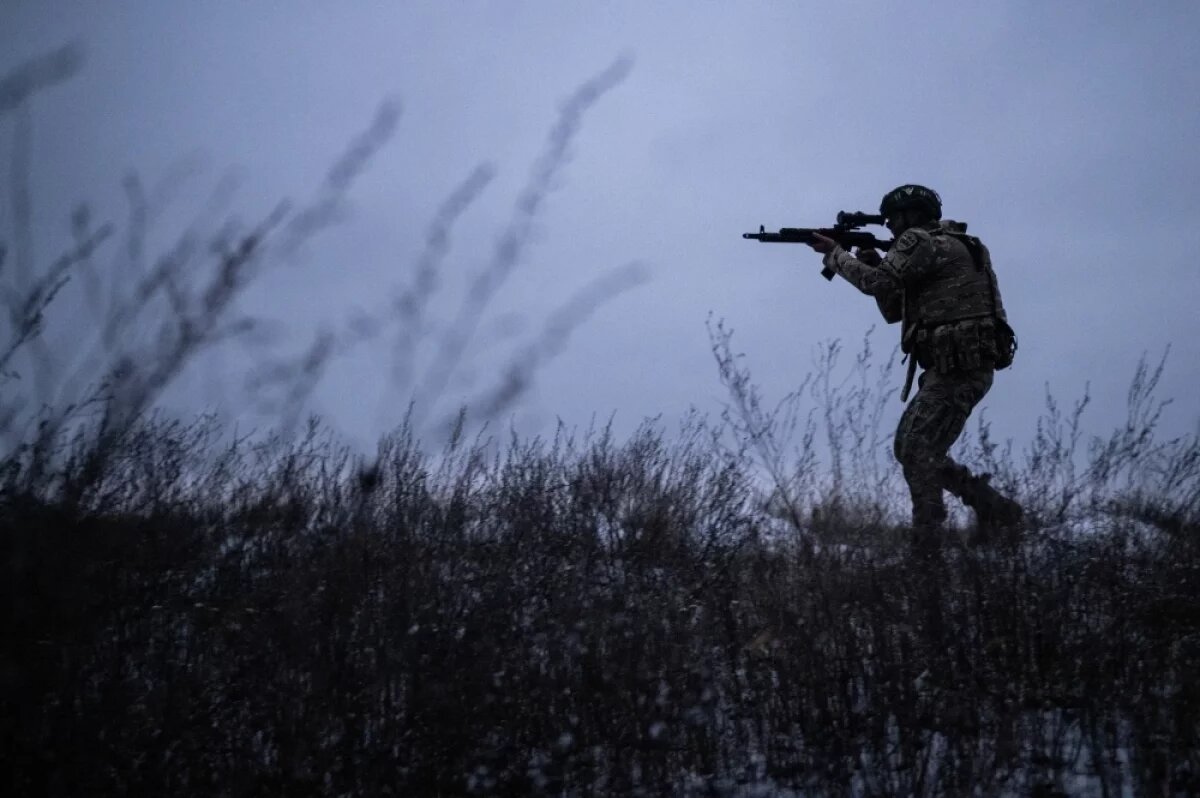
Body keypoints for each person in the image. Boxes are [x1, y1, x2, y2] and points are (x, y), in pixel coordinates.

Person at [805, 184, 1022, 547]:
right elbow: (893, 308)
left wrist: (836, 255)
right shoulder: (953, 242)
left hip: (958, 365)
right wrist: (874, 262)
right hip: (958, 364)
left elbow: (874, 284)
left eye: (893, 220)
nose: (889, 227)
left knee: (918, 449)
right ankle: (995, 509)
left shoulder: (919, 241)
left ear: (910, 217)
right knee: (911, 448)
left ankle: (928, 543)